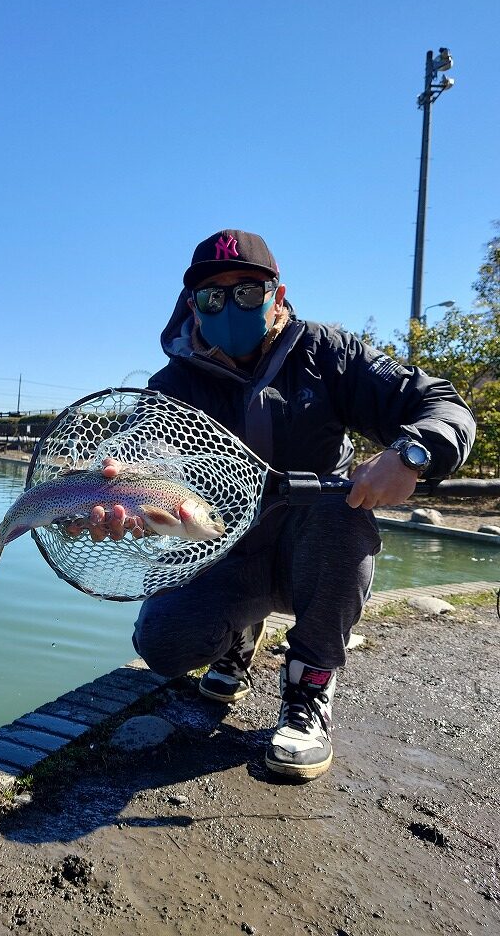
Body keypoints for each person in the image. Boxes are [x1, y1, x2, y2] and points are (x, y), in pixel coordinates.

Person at [72, 229, 475, 780]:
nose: (229, 306)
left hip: (315, 543)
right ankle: (237, 637)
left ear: (277, 296)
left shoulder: (329, 352)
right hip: (219, 546)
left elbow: (439, 404)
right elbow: (142, 455)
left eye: (247, 292)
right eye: (213, 297)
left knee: (343, 514)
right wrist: (117, 495)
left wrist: (411, 453)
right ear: (193, 306)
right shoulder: (171, 384)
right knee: (164, 643)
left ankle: (309, 687)